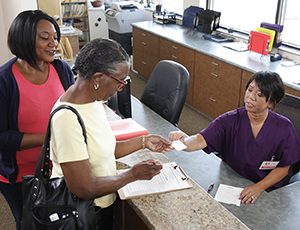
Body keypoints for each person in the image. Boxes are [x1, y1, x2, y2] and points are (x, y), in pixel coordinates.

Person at [50, 38, 174, 230]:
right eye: (120, 82)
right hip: (84, 212)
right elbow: (84, 187)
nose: (120, 88)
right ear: (98, 78)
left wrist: (143, 141)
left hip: (102, 204)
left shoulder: (93, 101)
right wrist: (132, 174)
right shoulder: (67, 119)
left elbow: (104, 150)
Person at [169, 71, 300, 204]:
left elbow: (284, 168)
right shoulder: (230, 120)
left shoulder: (284, 128)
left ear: (271, 103)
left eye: (259, 94)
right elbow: (199, 140)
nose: (250, 97)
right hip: (231, 184)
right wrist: (182, 141)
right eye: (250, 90)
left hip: (265, 191)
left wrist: (258, 187)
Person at [0, 10, 75, 230]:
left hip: (59, 167)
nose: (54, 44)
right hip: (20, 176)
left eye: (55, 38)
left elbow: (72, 111)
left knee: (61, 220)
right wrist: (49, 138)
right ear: (23, 38)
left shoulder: (61, 70)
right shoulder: (4, 81)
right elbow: (2, 137)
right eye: (45, 38)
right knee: (29, 224)